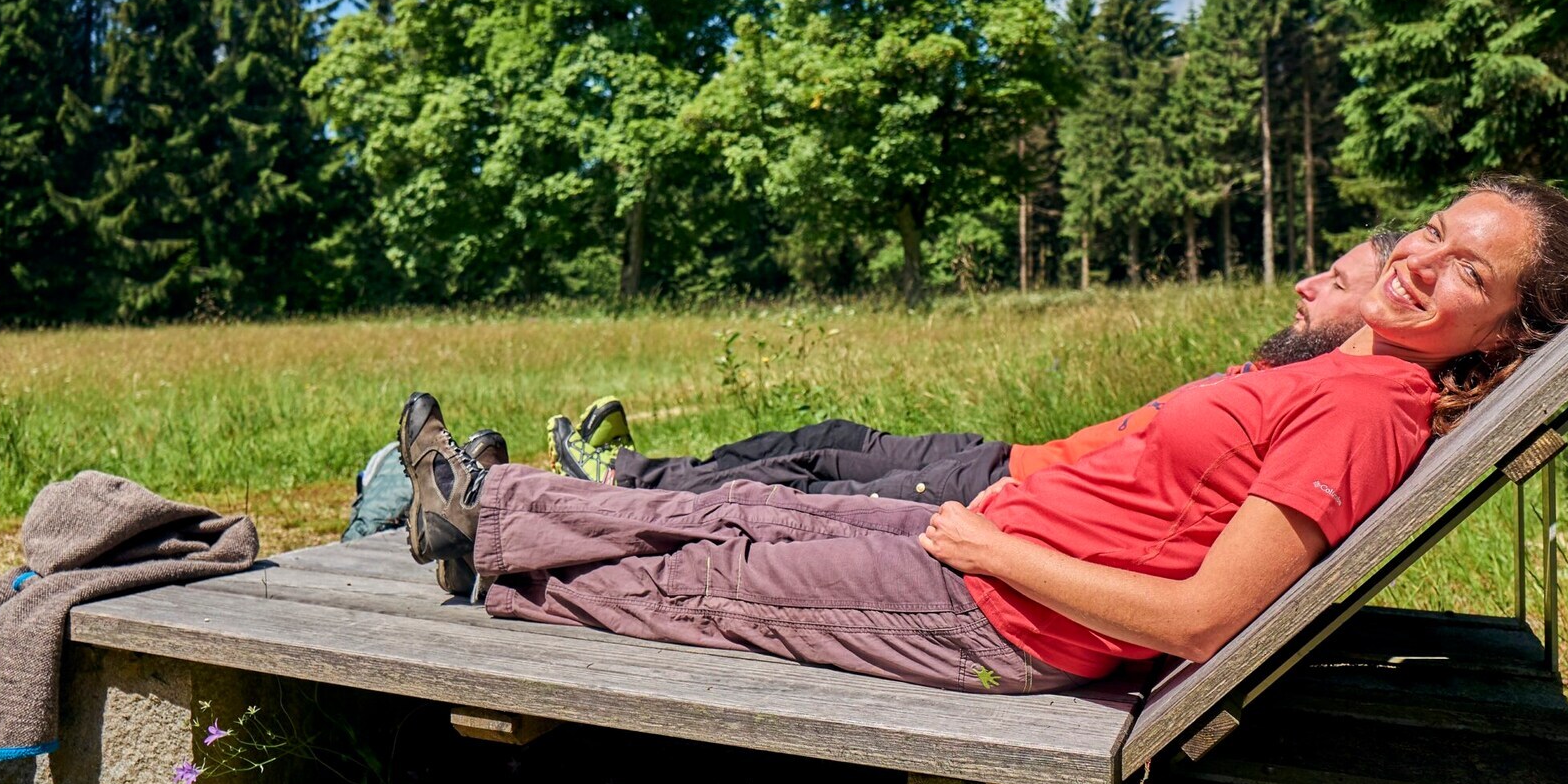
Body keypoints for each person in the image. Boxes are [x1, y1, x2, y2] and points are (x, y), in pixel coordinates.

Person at [402, 176, 1568, 693]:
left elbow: (1203, 620)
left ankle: (487, 539)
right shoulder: (1341, 361)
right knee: (756, 508)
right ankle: (485, 508)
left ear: (1500, 329)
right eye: (1434, 231)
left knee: (722, 575)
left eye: (1468, 271)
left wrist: (996, 554)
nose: (1420, 266)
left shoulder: (1361, 406)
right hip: (993, 548)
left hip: (1003, 611)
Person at [591, 233, 1402, 503]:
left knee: (809, 480)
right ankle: (650, 472)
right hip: (1007, 456)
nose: (1306, 283)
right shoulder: (1279, 372)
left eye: (1336, 282)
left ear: (1375, 318)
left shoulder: (1321, 405)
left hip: (1001, 494)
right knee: (828, 433)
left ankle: (623, 485)